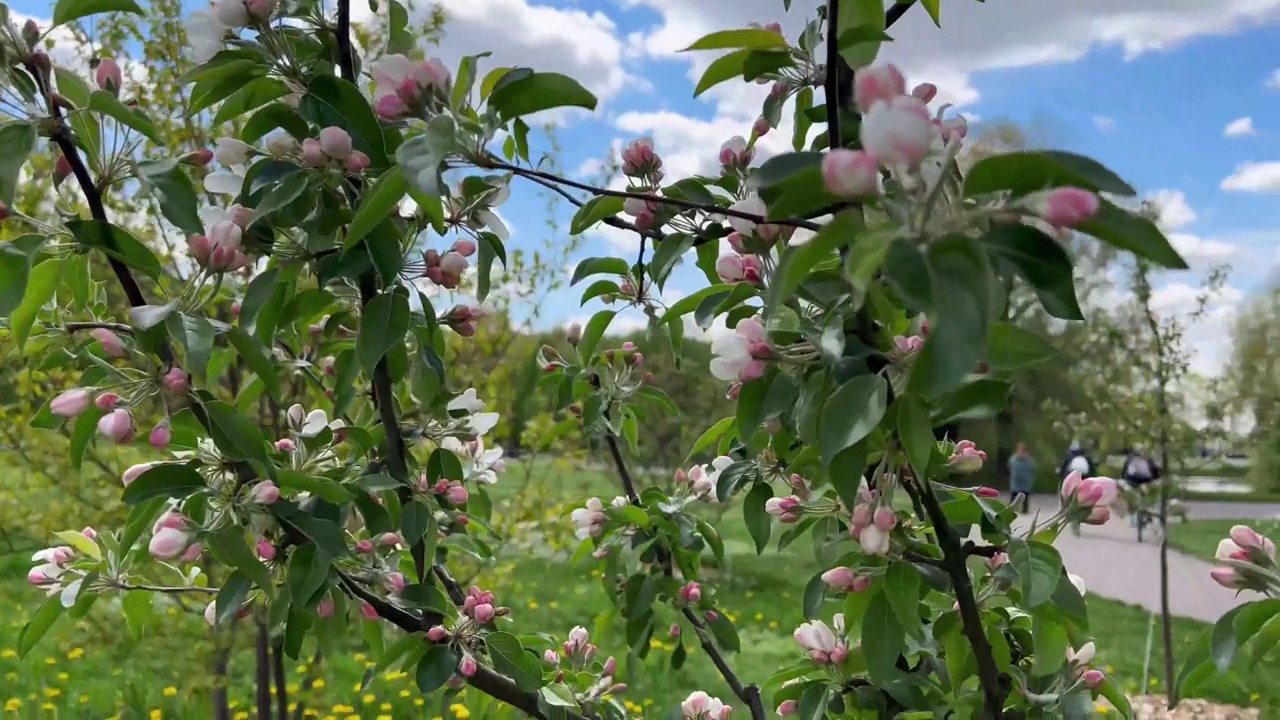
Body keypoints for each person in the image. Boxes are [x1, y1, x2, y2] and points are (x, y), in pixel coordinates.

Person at [1008, 442, 1036, 513]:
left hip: (1025, 482)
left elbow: (1032, 468)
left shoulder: (1028, 460)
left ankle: (1025, 510)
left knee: (1025, 497)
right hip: (1016, 481)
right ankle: (1010, 510)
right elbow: (1010, 465)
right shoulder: (1014, 458)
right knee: (1013, 496)